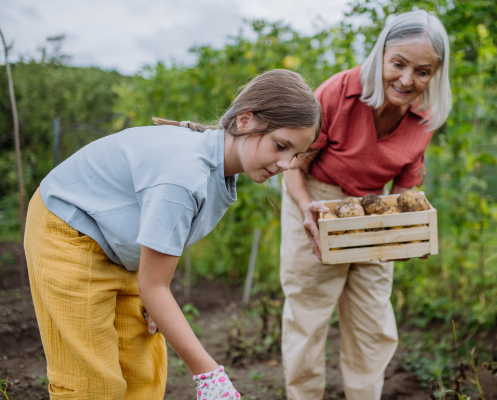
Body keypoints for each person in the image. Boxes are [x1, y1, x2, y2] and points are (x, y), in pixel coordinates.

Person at [23, 69, 321, 400]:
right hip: (69, 232)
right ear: (244, 121)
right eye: (280, 146)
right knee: (93, 383)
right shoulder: (186, 174)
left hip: (118, 247)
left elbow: (163, 247)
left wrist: (154, 296)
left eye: (294, 154)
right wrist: (209, 375)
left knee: (143, 375)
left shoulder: (220, 172)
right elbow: (154, 286)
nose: (285, 163)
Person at [280, 10, 452, 400]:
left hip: (376, 211)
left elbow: (407, 188)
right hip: (318, 201)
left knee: (373, 321)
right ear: (381, 55)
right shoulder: (338, 92)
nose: (407, 80)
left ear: (436, 73)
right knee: (309, 314)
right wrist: (308, 208)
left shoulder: (425, 117)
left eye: (423, 71)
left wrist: (412, 235)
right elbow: (294, 162)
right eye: (399, 64)